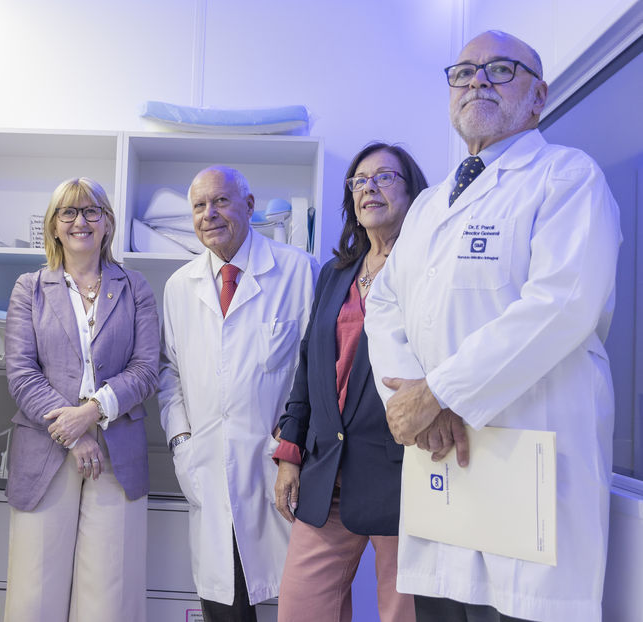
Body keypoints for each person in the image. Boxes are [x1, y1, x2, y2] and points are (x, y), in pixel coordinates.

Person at [364, 30, 621, 622]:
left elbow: (563, 304)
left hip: (531, 478)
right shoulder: (429, 207)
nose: (477, 79)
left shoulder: (567, 177)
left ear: (538, 97)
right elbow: (386, 305)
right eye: (463, 71)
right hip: (443, 477)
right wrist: (410, 399)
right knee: (441, 606)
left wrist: (441, 393)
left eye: (500, 69)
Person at [273, 142, 428, 622]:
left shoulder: (429, 270)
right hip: (330, 472)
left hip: (404, 473)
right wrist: (289, 454)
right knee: (300, 610)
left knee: (404, 615)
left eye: (384, 177)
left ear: (413, 192)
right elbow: (309, 368)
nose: (369, 188)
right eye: (359, 181)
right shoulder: (334, 275)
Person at [159, 165, 319, 621]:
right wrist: (180, 441)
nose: (209, 214)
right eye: (199, 206)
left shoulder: (298, 271)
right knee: (224, 608)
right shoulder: (179, 287)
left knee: (301, 603)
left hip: (280, 467)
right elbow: (169, 372)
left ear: (249, 206)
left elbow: (317, 368)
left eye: (221, 201)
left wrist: (293, 440)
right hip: (206, 465)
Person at [3, 177, 159, 622]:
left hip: (118, 451)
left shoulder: (135, 288)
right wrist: (74, 434)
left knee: (109, 596)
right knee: (35, 593)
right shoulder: (28, 289)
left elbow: (146, 368)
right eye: (68, 213)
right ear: (53, 226)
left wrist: (91, 413)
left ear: (107, 223)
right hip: (46, 451)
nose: (80, 221)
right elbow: (21, 372)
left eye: (92, 211)